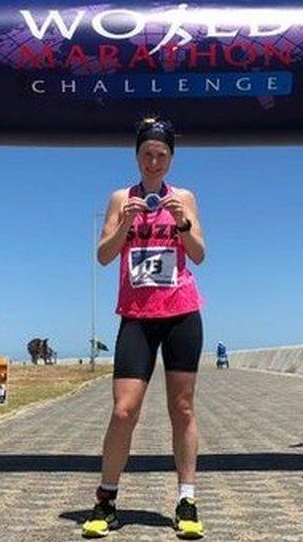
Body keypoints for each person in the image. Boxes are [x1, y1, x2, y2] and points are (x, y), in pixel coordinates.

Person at [82, 118, 206, 539]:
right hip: (136, 316)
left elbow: (200, 254)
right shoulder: (121, 197)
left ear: (171, 158)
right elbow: (102, 255)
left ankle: (186, 500)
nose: (154, 162)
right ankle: (106, 498)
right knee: (124, 410)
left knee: (183, 409)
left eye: (162, 155)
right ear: (137, 157)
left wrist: (183, 224)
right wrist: (123, 226)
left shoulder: (184, 197)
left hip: (181, 313)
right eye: (147, 155)